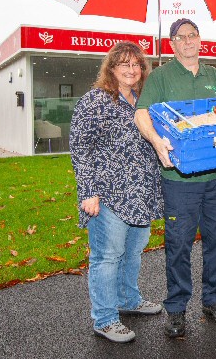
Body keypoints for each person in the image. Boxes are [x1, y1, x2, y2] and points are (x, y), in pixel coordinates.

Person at [134, 18, 216, 338]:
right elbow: (141, 114)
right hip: (179, 180)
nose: (189, 41)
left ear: (199, 40)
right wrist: (156, 140)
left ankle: (213, 300)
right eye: (182, 37)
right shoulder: (161, 78)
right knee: (178, 246)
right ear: (172, 43)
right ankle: (177, 309)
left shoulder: (215, 76)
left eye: (193, 35)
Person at [69, 41, 163, 343]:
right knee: (107, 257)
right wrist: (88, 191)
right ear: (111, 68)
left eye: (136, 64)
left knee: (133, 252)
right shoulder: (95, 101)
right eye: (124, 64)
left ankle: (128, 300)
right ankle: (106, 319)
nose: (132, 69)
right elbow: (81, 148)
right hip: (108, 195)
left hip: (141, 193)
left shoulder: (144, 101)